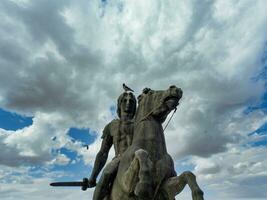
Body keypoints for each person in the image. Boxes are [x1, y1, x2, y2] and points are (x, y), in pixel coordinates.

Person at [88, 91, 137, 200]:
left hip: (137, 157)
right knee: (106, 174)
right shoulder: (111, 126)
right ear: (119, 104)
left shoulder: (140, 123)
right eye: (125, 101)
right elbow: (103, 153)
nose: (128, 103)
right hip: (119, 159)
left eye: (131, 101)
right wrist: (93, 177)